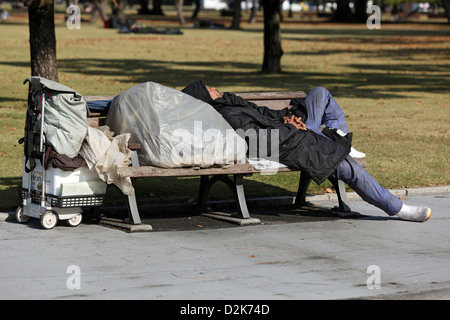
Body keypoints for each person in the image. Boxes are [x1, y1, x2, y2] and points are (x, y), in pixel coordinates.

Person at [182, 81, 432, 222]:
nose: (215, 87)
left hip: (291, 132)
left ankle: (339, 139)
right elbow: (260, 142)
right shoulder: (228, 114)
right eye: (210, 88)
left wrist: (288, 117)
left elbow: (265, 115)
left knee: (320, 93)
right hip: (288, 145)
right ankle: (397, 208)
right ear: (206, 98)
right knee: (347, 167)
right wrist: (290, 128)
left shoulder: (233, 103)